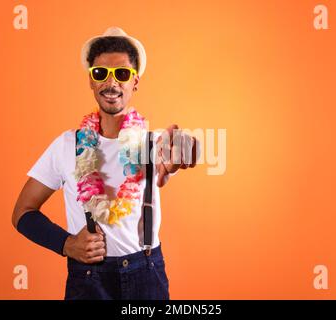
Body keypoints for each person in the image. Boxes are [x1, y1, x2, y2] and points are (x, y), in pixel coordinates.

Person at [11, 27, 199, 300]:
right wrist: (66, 244)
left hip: (146, 276)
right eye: (101, 73)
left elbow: (180, 156)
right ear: (90, 80)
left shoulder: (154, 142)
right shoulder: (67, 145)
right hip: (88, 280)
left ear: (135, 82)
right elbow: (22, 213)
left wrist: (187, 150)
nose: (111, 83)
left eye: (122, 74)